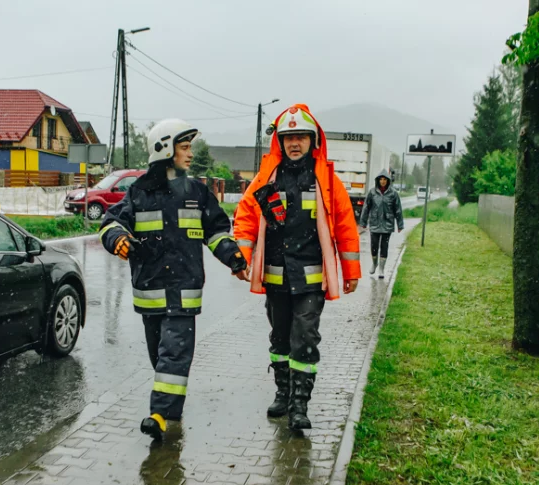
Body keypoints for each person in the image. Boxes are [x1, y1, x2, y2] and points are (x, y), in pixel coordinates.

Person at [99, 119, 249, 441]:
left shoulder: (197, 193)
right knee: (161, 357)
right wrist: (118, 238)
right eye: (184, 147)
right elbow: (112, 222)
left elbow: (217, 231)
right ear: (164, 149)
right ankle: (172, 407)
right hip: (149, 293)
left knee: (174, 353)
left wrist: (233, 257)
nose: (190, 154)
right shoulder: (139, 192)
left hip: (184, 291)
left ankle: (158, 413)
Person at [234, 104, 361, 431]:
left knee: (304, 339)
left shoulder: (327, 180)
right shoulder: (266, 177)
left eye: (301, 136)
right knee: (279, 339)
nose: (295, 143)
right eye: (288, 137)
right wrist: (241, 259)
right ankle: (283, 392)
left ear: (312, 140)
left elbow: (345, 224)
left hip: (311, 280)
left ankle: (299, 405)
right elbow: (246, 216)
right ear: (280, 141)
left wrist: (352, 273)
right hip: (276, 277)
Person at [359, 169, 404, 278]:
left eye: (384, 179)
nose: (383, 181)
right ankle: (374, 264)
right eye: (381, 179)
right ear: (378, 181)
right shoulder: (372, 192)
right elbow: (366, 208)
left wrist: (400, 224)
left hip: (387, 224)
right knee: (374, 246)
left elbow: (398, 209)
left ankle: (381, 269)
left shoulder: (393, 194)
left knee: (384, 247)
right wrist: (363, 222)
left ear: (388, 181)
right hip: (374, 223)